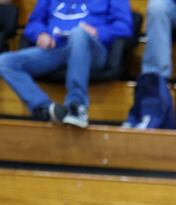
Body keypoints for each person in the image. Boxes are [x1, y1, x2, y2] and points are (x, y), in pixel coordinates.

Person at [0, 0, 132, 128]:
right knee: (5, 61)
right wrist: (40, 34)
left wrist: (98, 32)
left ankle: (76, 107)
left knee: (78, 33)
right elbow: (35, 22)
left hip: (93, 50)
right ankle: (45, 108)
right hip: (56, 48)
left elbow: (124, 26)